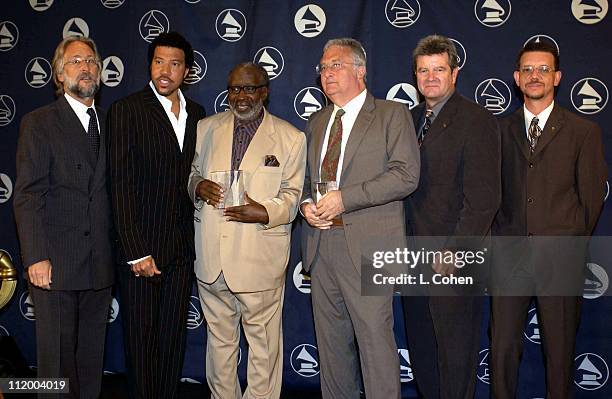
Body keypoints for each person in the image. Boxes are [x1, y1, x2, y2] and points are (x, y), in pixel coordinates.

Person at [300, 37, 420, 399]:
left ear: (360, 70)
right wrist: (307, 205)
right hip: (322, 247)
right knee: (332, 350)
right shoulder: (317, 121)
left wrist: (344, 199)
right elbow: (306, 181)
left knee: (375, 345)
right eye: (323, 67)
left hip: (370, 248)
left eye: (335, 65)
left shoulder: (391, 114)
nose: (327, 74)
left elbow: (406, 175)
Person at [490, 41, 607, 398]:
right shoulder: (498, 129)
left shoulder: (582, 131)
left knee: (559, 354)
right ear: (516, 78)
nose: (534, 76)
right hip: (509, 257)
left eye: (542, 69)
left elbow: (590, 200)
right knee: (502, 351)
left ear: (557, 77)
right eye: (527, 70)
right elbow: (490, 192)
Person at [188, 61, 306, 399]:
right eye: (235, 88)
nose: (241, 96)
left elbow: (293, 196)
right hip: (212, 258)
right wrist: (197, 186)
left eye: (249, 88)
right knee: (220, 346)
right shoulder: (206, 128)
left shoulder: (290, 137)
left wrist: (264, 210)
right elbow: (192, 171)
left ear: (264, 92)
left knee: (264, 350)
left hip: (258, 260)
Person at [106, 31, 206, 399]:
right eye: (158, 61)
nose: (165, 71)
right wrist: (136, 250)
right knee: (142, 345)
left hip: (182, 249)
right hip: (141, 250)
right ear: (150, 65)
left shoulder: (198, 114)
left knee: (172, 342)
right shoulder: (127, 109)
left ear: (187, 71)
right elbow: (120, 184)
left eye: (175, 63)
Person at [13, 36, 114, 398]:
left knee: (91, 361)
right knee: (54, 364)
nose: (85, 67)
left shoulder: (109, 122)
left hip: (100, 264)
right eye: (74, 61)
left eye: (90, 60)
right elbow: (27, 194)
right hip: (55, 263)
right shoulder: (39, 123)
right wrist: (36, 256)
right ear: (58, 73)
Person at [401, 35, 501, 399]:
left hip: (453, 259)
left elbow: (484, 199)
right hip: (411, 256)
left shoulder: (477, 121)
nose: (430, 78)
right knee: (422, 351)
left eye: (438, 70)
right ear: (415, 75)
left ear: (454, 73)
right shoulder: (407, 120)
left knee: (455, 357)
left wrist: (456, 251)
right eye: (423, 71)